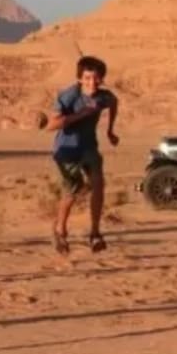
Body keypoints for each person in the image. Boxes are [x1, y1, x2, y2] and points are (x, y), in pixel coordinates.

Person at [46, 55, 119, 255]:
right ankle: (60, 229)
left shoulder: (103, 96)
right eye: (87, 78)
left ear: (101, 79)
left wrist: (110, 131)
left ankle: (95, 233)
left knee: (98, 184)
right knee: (73, 189)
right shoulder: (68, 96)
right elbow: (51, 125)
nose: (91, 82)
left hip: (89, 147)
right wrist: (81, 114)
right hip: (66, 150)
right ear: (79, 79)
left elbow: (113, 102)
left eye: (96, 78)